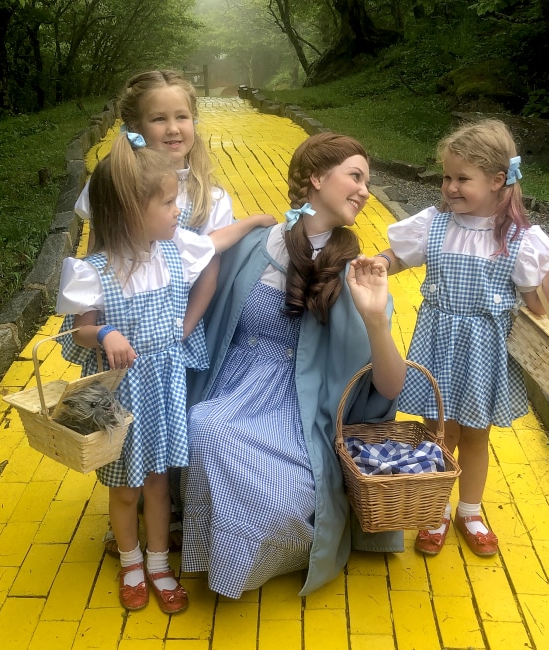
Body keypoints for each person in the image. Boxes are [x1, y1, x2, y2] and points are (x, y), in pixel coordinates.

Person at [182, 132, 408, 599]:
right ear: (316, 177)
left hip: (305, 409)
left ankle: (259, 553)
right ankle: (216, 550)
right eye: (356, 176)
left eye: (368, 181)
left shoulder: (357, 270)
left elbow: (389, 387)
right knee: (203, 427)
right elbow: (175, 277)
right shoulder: (253, 247)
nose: (365, 191)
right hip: (237, 387)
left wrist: (374, 320)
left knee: (290, 498)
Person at [55, 132, 269, 613]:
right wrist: (104, 332)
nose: (179, 211)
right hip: (119, 396)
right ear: (132, 211)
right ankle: (129, 560)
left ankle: (157, 562)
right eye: (169, 202)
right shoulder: (94, 270)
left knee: (157, 482)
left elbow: (218, 240)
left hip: (164, 387)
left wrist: (255, 220)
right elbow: (79, 331)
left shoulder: (177, 252)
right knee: (124, 485)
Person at [75, 69, 274, 555]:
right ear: (136, 126)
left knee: (175, 415)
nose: (172, 128)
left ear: (195, 121)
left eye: (181, 116)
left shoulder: (208, 194)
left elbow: (208, 259)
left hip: (177, 328)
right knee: (122, 423)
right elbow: (100, 250)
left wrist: (186, 326)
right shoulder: (116, 181)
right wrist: (103, 322)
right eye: (158, 118)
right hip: (124, 325)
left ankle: (174, 509)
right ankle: (129, 511)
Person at [376, 119, 549, 557]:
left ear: (496, 181)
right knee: (436, 432)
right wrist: (377, 264)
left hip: (485, 351)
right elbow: (397, 256)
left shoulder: (519, 240)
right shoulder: (435, 225)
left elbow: (540, 305)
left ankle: (469, 510)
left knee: (475, 435)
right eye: (447, 177)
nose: (449, 187)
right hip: (438, 342)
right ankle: (435, 511)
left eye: (461, 178)